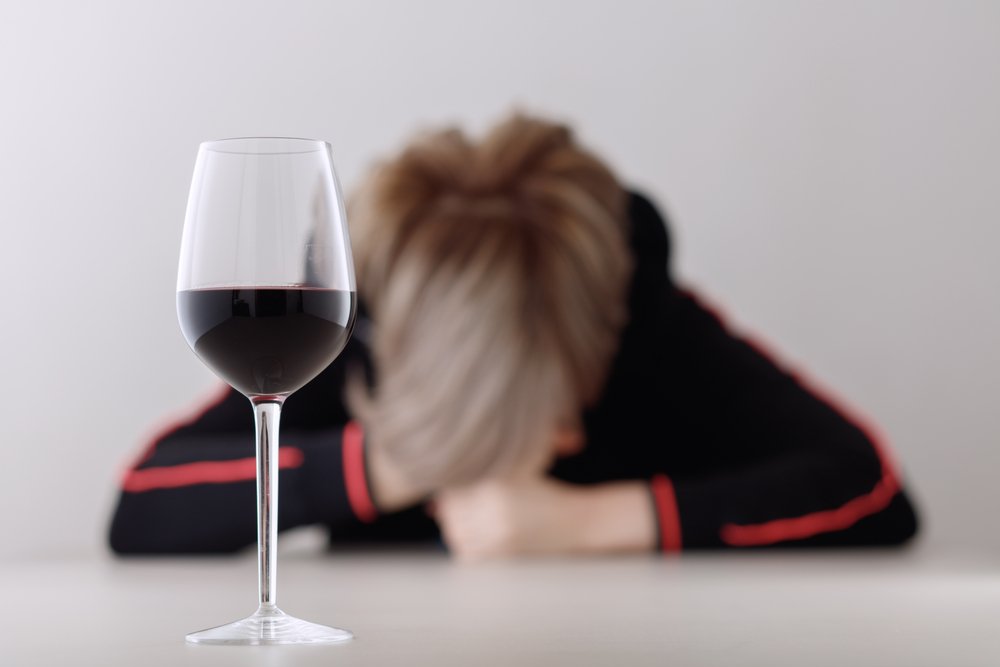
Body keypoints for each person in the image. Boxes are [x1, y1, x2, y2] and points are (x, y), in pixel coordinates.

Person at [109, 113, 919, 559]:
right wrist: (400, 461)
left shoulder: (643, 314)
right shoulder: (354, 317)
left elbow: (870, 487)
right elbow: (142, 507)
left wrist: (596, 522)